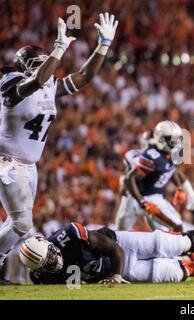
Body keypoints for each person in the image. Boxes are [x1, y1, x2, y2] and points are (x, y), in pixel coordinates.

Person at [0, 13, 118, 283]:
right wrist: (59, 48)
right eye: (36, 63)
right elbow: (36, 82)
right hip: (7, 162)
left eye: (45, 62)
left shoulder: (49, 84)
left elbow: (85, 76)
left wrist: (104, 44)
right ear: (22, 66)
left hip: (30, 166)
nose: (44, 67)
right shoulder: (9, 84)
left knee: (15, 226)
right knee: (21, 224)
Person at [19, 222, 194, 284]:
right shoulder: (40, 275)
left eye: (51, 254)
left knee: (176, 243)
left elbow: (113, 249)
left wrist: (117, 275)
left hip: (122, 246)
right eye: (47, 263)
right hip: (111, 273)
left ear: (50, 244)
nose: (53, 262)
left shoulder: (70, 235)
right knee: (168, 274)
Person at [116, 122, 194, 232]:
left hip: (154, 197)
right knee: (121, 232)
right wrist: (142, 202)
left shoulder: (170, 153)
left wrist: (183, 189)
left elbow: (172, 170)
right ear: (160, 139)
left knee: (165, 231)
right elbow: (128, 179)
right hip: (138, 197)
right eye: (172, 139)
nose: (176, 142)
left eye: (177, 138)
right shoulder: (151, 157)